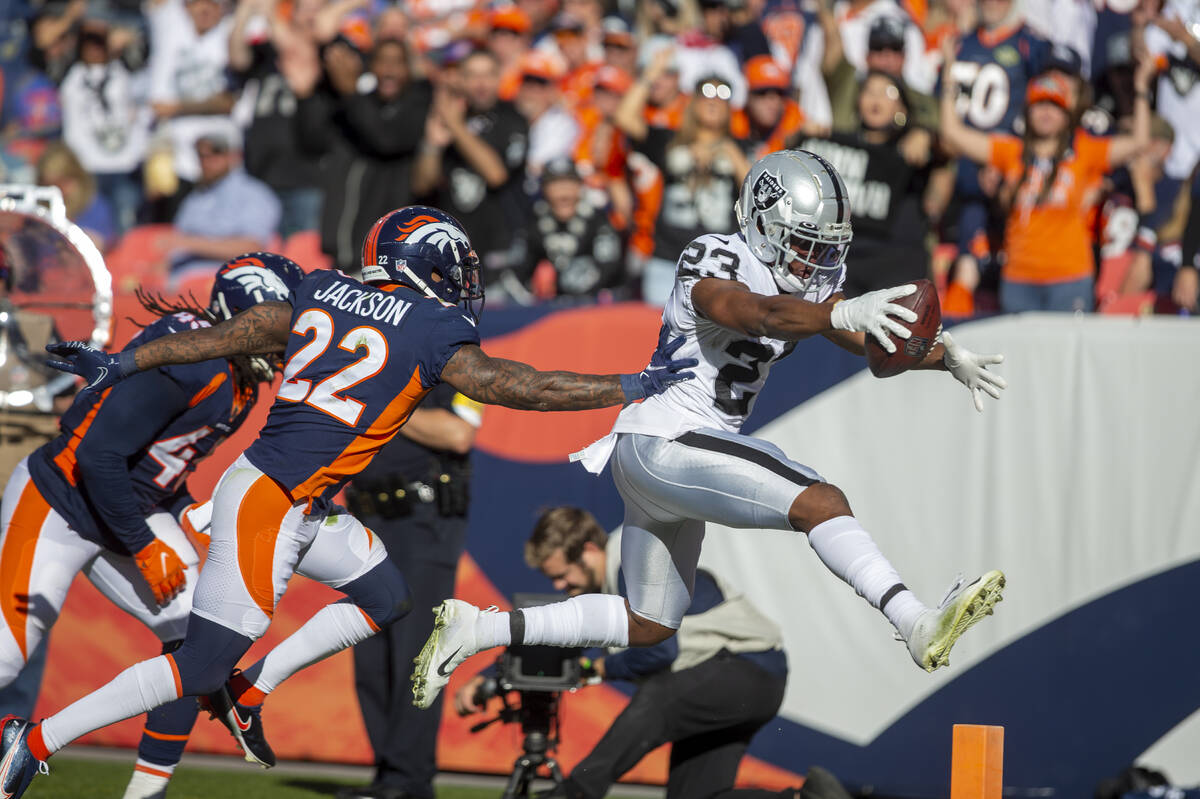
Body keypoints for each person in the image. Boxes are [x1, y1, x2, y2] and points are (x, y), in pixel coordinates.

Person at [8, 205, 698, 797]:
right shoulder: (429, 327)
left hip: (295, 498)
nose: (462, 282)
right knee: (199, 663)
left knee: (385, 594)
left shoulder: (322, 288)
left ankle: (251, 693)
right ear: (421, 264)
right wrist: (633, 384)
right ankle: (38, 740)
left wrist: (124, 361)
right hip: (273, 501)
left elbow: (234, 334)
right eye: (451, 266)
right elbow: (525, 386)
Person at [412, 149, 1009, 714]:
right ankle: (914, 621)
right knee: (819, 500)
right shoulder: (714, 253)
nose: (813, 261)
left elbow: (870, 349)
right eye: (802, 243)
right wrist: (840, 311)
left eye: (822, 248)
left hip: (665, 457)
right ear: (763, 224)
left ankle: (479, 627)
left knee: (650, 624)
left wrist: (934, 356)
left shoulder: (809, 285)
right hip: (667, 438)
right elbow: (758, 313)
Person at [0, 252, 302, 799]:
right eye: (274, 324)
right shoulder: (194, 363)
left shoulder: (234, 378)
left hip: (126, 509)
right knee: (5, 657)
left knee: (202, 644)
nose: (282, 342)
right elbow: (97, 456)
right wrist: (144, 546)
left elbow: (158, 466)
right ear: (238, 314)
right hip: (60, 501)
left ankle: (146, 793)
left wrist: (182, 512)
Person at [456, 507, 789, 799]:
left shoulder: (632, 560)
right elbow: (556, 646)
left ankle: (576, 792)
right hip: (748, 682)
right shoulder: (612, 587)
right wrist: (490, 678)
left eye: (561, 575)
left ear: (588, 550)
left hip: (747, 669)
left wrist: (597, 669)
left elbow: (659, 653)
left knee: (657, 697)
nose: (559, 586)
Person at [337, 387, 481, 799]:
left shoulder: (456, 362)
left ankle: (410, 779)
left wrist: (381, 407)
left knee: (416, 653)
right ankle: (388, 775)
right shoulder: (379, 361)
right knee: (370, 657)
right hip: (365, 517)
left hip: (422, 521)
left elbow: (458, 433)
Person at [939, 53, 1155, 312]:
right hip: (1019, 279)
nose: (1046, 112)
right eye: (1039, 104)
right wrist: (949, 78)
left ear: (1067, 114)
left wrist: (1141, 89)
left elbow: (1139, 142)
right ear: (1028, 112)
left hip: (1070, 279)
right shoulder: (1011, 151)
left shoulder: (1085, 151)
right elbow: (952, 133)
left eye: (1054, 105)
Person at [790, 71, 946, 296]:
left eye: (887, 93)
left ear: (902, 107)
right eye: (869, 91)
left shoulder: (914, 146)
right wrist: (801, 137)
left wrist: (927, 135)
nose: (876, 99)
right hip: (844, 263)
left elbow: (949, 151)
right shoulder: (835, 143)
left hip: (897, 265)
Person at [293, 35, 431, 273]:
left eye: (397, 62)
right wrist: (308, 94)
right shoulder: (354, 103)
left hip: (390, 255)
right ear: (371, 66)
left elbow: (386, 140)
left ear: (409, 69)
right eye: (382, 61)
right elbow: (312, 143)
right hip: (344, 252)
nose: (389, 70)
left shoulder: (417, 105)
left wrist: (350, 92)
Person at [412, 49, 529, 288]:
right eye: (473, 76)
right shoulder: (444, 118)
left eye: (488, 75)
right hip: (450, 251)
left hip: (500, 250)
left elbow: (496, 174)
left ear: (499, 78)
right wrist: (432, 145)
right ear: (461, 80)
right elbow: (423, 184)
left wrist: (455, 126)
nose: (481, 84)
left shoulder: (513, 118)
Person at [164, 128, 282, 296]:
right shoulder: (195, 198)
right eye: (201, 155)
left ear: (234, 155)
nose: (207, 160)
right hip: (181, 279)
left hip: (230, 284)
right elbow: (174, 245)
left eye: (215, 152)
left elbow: (252, 247)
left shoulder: (254, 194)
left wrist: (191, 244)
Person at [517, 158, 626, 300]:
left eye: (569, 184)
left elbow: (608, 268)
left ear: (580, 187)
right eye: (555, 184)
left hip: (594, 308)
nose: (563, 194)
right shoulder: (533, 222)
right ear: (543, 189)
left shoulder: (598, 221)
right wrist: (533, 283)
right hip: (544, 310)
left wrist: (556, 280)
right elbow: (518, 268)